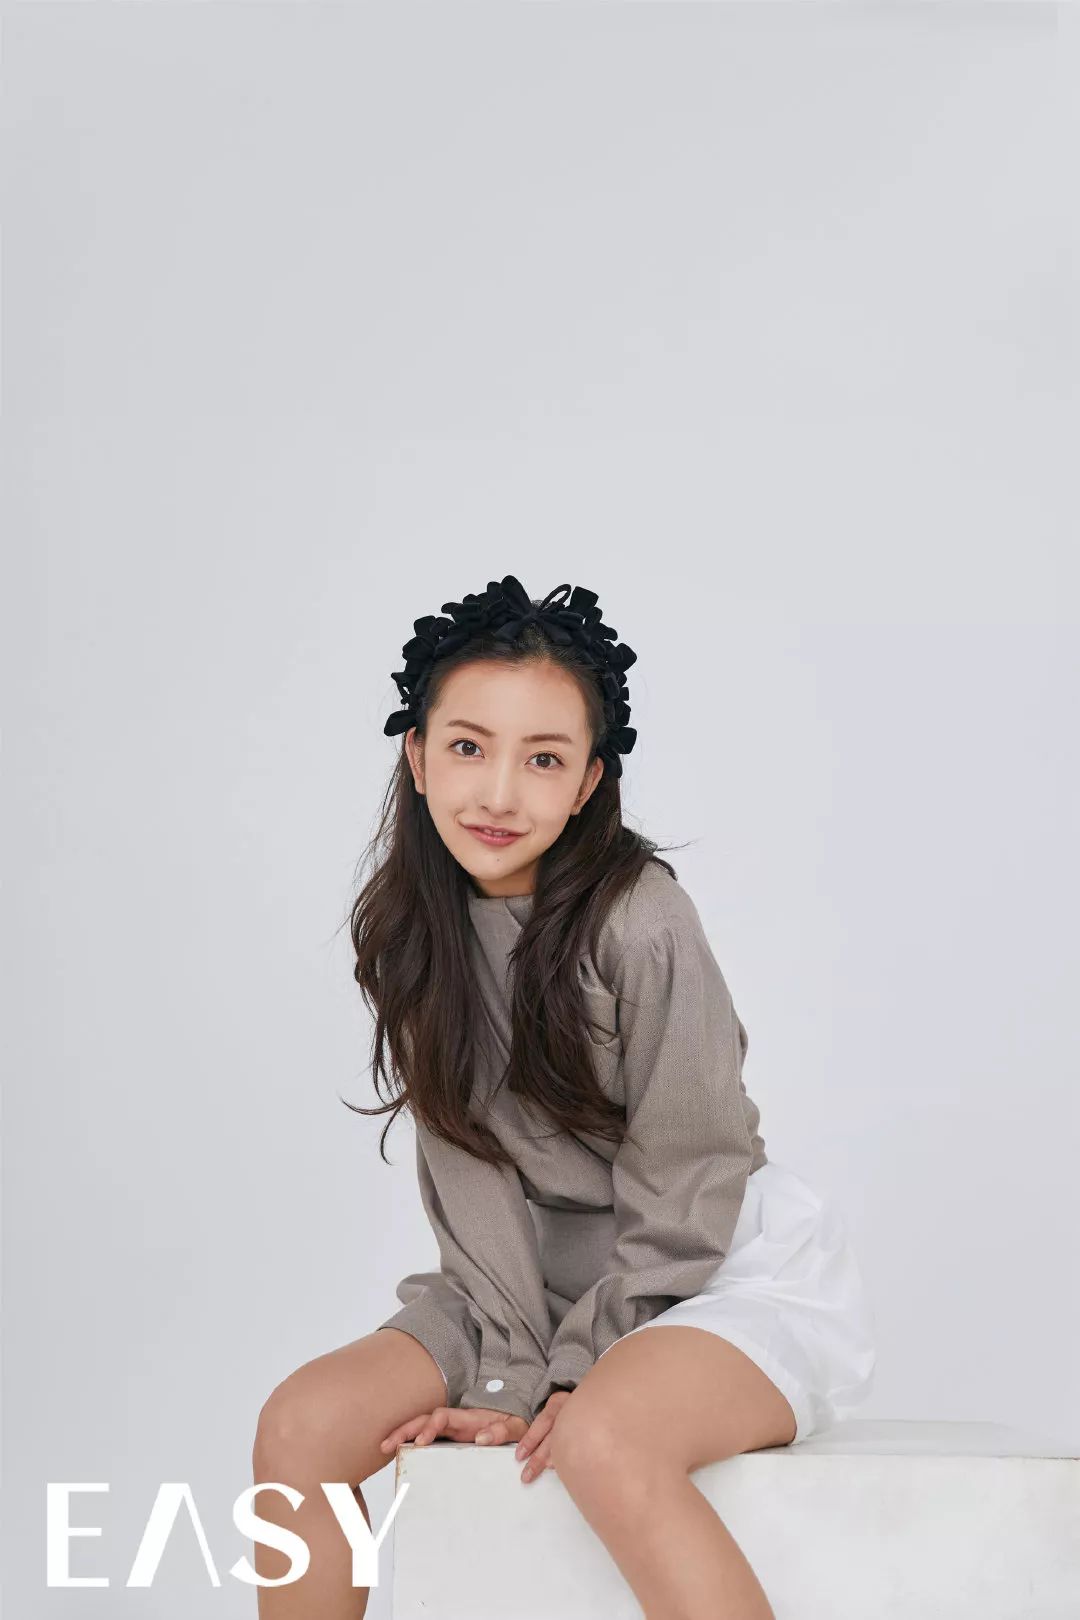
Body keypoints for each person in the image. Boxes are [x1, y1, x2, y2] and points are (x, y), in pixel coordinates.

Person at [252, 575, 876, 1619]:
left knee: (604, 1440)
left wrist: (573, 1370)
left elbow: (694, 1165)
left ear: (588, 781)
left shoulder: (642, 921)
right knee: (301, 1425)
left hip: (701, 1266)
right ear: (417, 756)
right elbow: (470, 1171)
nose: (499, 793)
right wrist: (508, 1372)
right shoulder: (417, 935)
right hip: (519, 1283)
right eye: (468, 747)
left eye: (542, 759)